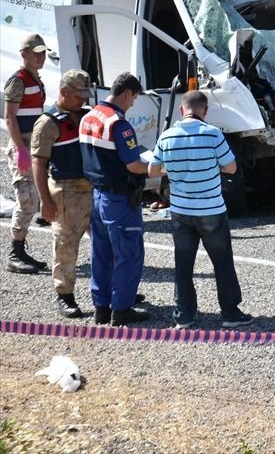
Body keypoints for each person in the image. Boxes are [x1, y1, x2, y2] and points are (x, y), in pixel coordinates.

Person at [148, 91, 252, 329]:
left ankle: (184, 315)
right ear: (205, 110)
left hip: (181, 211)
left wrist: (171, 168)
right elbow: (231, 168)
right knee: (222, 262)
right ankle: (230, 313)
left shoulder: (167, 136)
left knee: (183, 263)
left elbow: (152, 171)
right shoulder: (213, 134)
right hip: (211, 209)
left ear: (181, 110)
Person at [79, 72, 151, 326]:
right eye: (134, 98)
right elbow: (133, 165)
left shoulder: (88, 117)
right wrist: (159, 168)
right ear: (127, 93)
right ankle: (122, 309)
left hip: (97, 195)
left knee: (101, 253)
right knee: (129, 253)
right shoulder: (118, 124)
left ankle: (101, 306)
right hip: (119, 199)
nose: (133, 104)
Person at [29, 70, 93, 317]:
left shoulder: (87, 116)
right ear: (64, 92)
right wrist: (44, 201)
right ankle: (65, 295)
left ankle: (111, 292)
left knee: (105, 243)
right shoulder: (47, 123)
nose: (83, 100)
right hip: (66, 192)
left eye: (86, 95)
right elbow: (38, 163)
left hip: (92, 189)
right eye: (79, 95)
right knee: (66, 247)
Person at [4, 33, 49, 274]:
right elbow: (9, 117)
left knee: (34, 198)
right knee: (26, 199)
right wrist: (19, 149)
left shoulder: (35, 79)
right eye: (37, 53)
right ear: (24, 54)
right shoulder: (18, 81)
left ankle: (19, 251)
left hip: (35, 146)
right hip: (22, 146)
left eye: (43, 53)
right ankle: (15, 253)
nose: (42, 57)